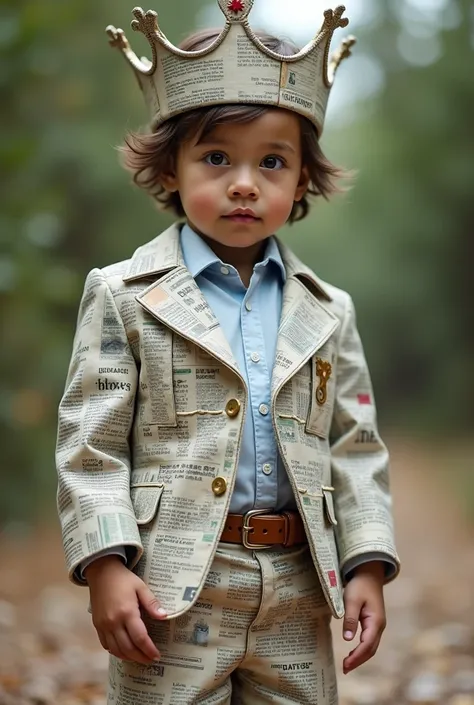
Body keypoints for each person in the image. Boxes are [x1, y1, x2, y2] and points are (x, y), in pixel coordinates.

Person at [55, 2, 400, 703]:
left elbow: (355, 446)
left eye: (272, 161)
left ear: (301, 179)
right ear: (172, 168)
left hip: (299, 588)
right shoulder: (124, 294)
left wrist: (366, 562)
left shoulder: (328, 309)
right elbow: (91, 444)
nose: (245, 182)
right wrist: (105, 563)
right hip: (170, 588)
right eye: (217, 157)